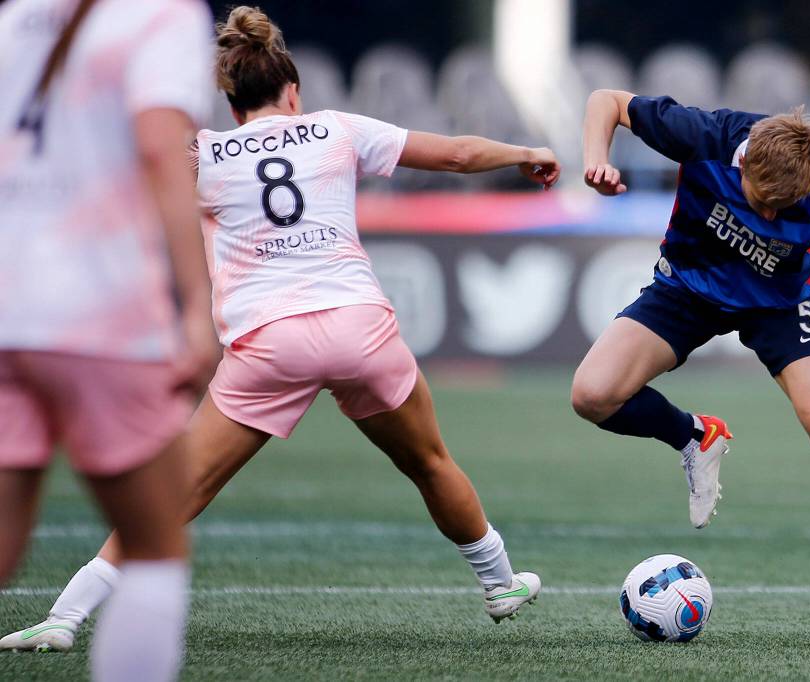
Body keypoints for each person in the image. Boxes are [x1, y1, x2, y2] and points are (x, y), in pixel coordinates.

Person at [2, 5, 558, 654]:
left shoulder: (202, 155)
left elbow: (120, 184)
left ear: (232, 105)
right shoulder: (337, 129)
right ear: (292, 92)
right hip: (360, 329)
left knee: (177, 491)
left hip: (268, 343)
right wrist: (526, 153)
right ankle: (499, 583)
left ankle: (66, 616)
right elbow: (459, 153)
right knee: (430, 462)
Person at [570, 89, 810, 648]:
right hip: (688, 287)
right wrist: (596, 158)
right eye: (760, 200)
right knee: (592, 394)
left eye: (779, 209)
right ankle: (695, 435)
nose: (767, 214)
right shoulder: (703, 135)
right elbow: (606, 101)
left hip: (778, 306)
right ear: (744, 161)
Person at [0, 0, 219, 678]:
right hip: (102, 311)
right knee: (154, 547)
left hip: (8, 303)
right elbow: (160, 147)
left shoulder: (15, 16)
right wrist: (197, 305)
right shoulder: (164, 15)